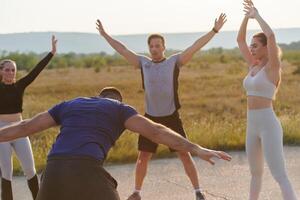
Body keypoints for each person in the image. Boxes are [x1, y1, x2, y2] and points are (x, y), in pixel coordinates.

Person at [0, 87, 232, 200]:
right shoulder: (120, 109)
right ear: (119, 101)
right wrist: (195, 148)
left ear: (98, 97)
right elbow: (156, 131)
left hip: (53, 171)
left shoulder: (69, 104)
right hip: (87, 170)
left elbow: (25, 127)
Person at [96, 13, 227, 200]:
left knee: (184, 154)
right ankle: (137, 193)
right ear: (148, 48)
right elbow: (123, 49)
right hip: (150, 118)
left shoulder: (174, 62)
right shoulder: (143, 63)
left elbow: (195, 47)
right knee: (143, 158)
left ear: (164, 47)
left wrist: (214, 30)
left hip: (171, 117)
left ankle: (198, 191)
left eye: (158, 45)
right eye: (151, 46)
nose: (154, 48)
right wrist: (105, 35)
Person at [237, 1, 298, 199]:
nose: (251, 49)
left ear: (266, 48)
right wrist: (246, 17)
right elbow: (239, 40)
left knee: (279, 174)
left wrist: (257, 15)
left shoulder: (272, 68)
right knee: (255, 173)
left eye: (255, 45)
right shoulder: (252, 65)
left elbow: (271, 36)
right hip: (252, 125)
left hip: (268, 125)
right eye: (251, 46)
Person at [0, 36, 57, 200]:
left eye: (13, 70)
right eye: (7, 69)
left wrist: (51, 53)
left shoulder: (20, 85)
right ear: (1, 71)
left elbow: (36, 71)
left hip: (20, 127)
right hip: (1, 129)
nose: (10, 72)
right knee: (6, 171)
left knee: (30, 169)